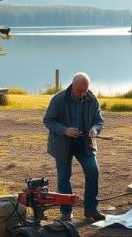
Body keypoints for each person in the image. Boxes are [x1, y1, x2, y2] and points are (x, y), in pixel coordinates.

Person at [43, 72, 105, 222]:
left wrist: (94, 130)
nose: (83, 94)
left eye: (85, 90)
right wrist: (65, 130)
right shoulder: (58, 99)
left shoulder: (91, 99)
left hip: (84, 143)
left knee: (93, 171)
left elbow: (99, 120)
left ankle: (91, 209)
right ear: (72, 86)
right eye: (80, 90)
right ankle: (66, 211)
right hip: (63, 144)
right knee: (64, 178)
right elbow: (48, 120)